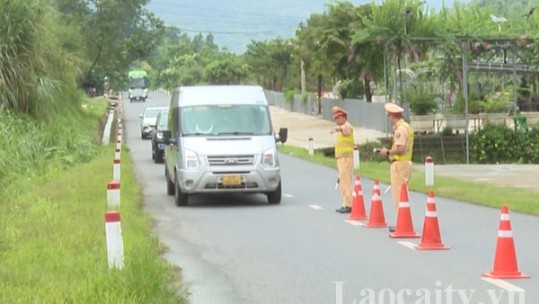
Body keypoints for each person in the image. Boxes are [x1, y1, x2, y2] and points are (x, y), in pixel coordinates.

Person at [377, 103, 415, 232]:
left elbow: (400, 148)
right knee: (403, 193)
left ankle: (401, 223)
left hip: (400, 164)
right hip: (405, 163)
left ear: (392, 116)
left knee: (399, 195)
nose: (389, 119)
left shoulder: (400, 129)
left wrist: (387, 152)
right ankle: (403, 221)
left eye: (389, 117)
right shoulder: (407, 127)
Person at [331, 106, 355, 213]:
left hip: (346, 158)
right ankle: (345, 203)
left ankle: (349, 205)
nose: (336, 121)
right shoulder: (342, 129)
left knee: (346, 182)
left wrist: (338, 129)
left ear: (343, 117)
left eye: (337, 118)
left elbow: (346, 130)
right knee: (343, 182)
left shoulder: (347, 127)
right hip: (341, 158)